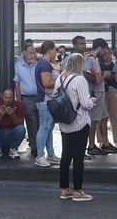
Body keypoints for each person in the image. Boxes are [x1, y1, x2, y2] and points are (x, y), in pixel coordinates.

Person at [54, 53, 96, 202]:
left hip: (65, 123)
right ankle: (78, 191)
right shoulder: (80, 80)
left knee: (65, 156)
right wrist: (92, 100)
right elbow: (85, 104)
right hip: (79, 123)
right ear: (80, 65)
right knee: (78, 158)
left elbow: (55, 98)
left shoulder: (60, 79)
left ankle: (65, 190)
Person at [34, 40, 61, 167]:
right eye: (55, 50)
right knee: (45, 127)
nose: (56, 52)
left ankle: (50, 154)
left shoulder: (43, 63)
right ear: (50, 50)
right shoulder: (44, 64)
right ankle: (40, 155)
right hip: (45, 100)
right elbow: (46, 83)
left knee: (48, 127)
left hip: (46, 100)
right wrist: (61, 81)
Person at [85, 38, 113, 156]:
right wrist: (104, 75)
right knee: (95, 120)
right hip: (97, 94)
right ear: (100, 48)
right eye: (104, 50)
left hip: (100, 93)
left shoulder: (93, 60)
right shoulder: (91, 60)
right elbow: (91, 78)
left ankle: (105, 143)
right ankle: (91, 146)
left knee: (104, 117)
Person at [14, 41, 39, 157]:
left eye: (34, 53)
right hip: (26, 98)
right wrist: (19, 100)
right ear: (24, 52)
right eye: (30, 53)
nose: (32, 55)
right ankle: (34, 147)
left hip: (39, 97)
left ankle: (38, 145)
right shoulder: (18, 65)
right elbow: (17, 83)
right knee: (32, 123)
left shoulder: (37, 63)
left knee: (39, 122)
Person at [0, 88, 26, 159]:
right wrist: (1, 114)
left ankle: (13, 149)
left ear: (13, 97)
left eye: (10, 98)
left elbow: (20, 124)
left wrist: (13, 114)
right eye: (6, 97)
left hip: (12, 134)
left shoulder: (18, 105)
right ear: (2, 95)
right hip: (0, 134)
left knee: (22, 129)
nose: (8, 100)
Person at [100, 48, 117, 148]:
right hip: (102, 92)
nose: (107, 56)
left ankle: (115, 141)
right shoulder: (98, 65)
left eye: (108, 53)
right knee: (102, 118)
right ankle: (103, 141)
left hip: (113, 91)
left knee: (115, 117)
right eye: (104, 54)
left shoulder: (114, 65)